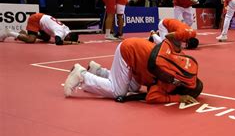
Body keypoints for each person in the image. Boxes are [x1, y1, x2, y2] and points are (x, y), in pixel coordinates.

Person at [64, 32, 202, 104]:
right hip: (129, 52)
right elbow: (152, 97)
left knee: (134, 87)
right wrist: (177, 98)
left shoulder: (183, 66)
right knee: (118, 91)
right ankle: (82, 75)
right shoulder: (171, 83)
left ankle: (98, 72)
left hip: (137, 52)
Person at [0, 13, 79, 45]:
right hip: (36, 19)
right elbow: (58, 42)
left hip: (42, 19)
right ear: (68, 37)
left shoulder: (67, 30)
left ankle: (24, 33)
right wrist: (71, 43)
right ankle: (9, 33)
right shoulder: (60, 31)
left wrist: (76, 41)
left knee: (46, 38)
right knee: (31, 40)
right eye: (68, 39)